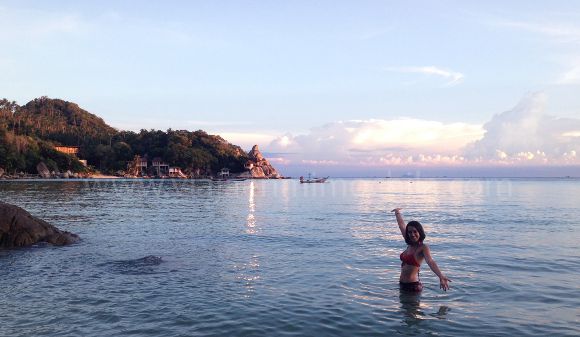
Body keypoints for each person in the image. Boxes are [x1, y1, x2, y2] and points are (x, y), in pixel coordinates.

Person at [391, 208, 451, 292]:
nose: (412, 234)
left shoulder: (423, 247)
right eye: (410, 232)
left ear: (420, 232)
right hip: (402, 284)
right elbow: (401, 225)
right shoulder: (410, 244)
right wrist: (397, 212)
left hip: (413, 287)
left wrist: (441, 276)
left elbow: (430, 261)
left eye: (415, 231)